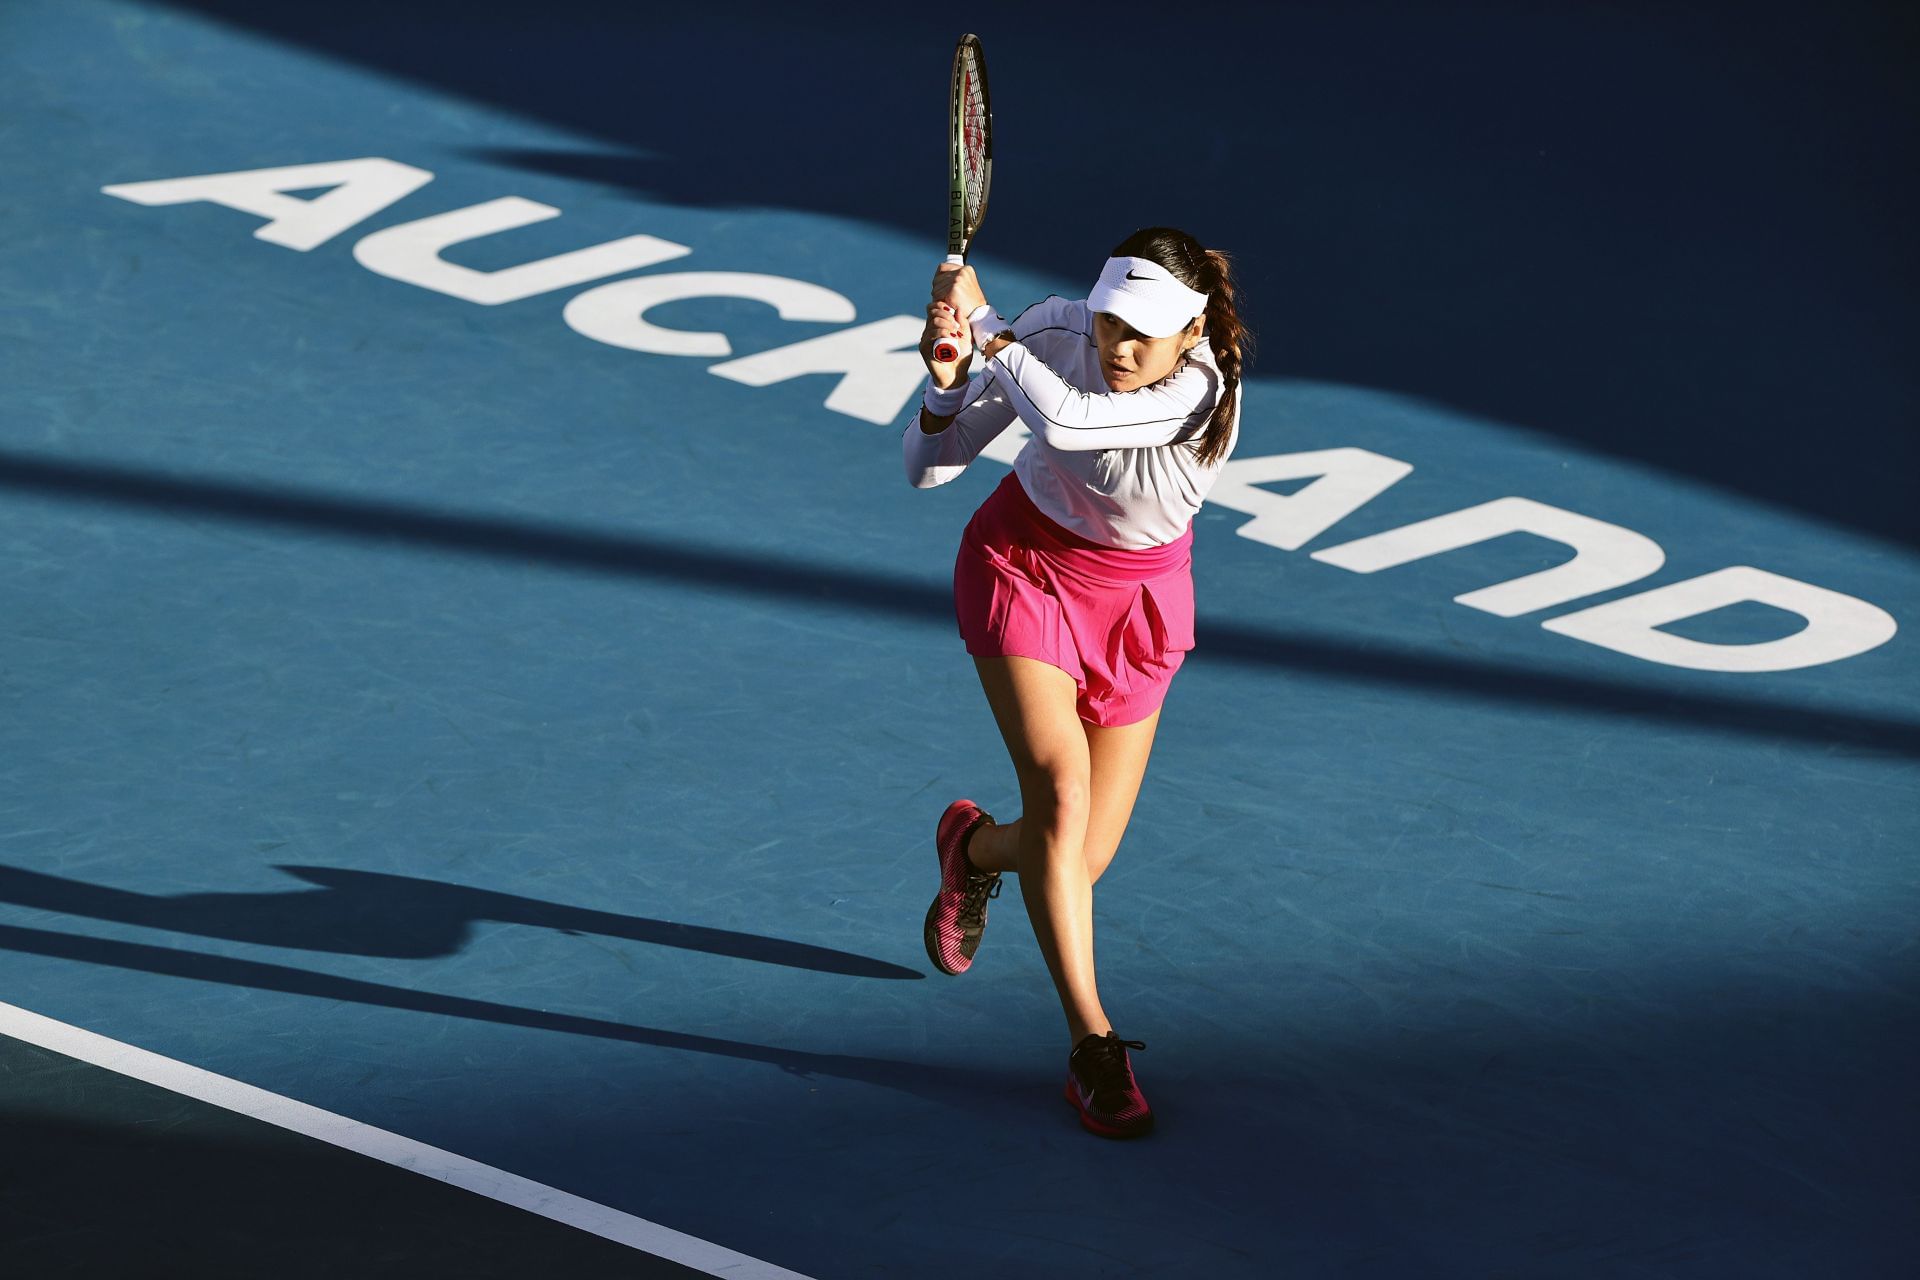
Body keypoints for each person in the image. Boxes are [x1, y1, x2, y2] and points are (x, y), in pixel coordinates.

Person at [903, 226, 1249, 1139]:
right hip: (1022, 564)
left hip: (1136, 604)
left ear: (1193, 329)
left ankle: (972, 851)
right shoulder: (1055, 336)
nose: (1119, 348)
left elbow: (1067, 421)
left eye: (1144, 332)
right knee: (1059, 795)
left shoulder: (1207, 385)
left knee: (1079, 862)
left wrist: (984, 330)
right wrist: (944, 388)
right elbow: (928, 466)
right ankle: (1092, 1048)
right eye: (1108, 324)